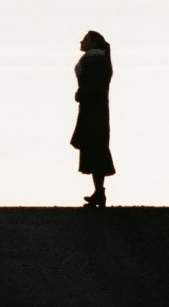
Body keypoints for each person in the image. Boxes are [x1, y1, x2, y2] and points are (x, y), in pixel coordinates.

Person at [70, 30, 115, 208]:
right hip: (92, 109)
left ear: (93, 42)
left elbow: (92, 84)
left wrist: (82, 93)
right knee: (94, 148)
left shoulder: (95, 60)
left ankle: (99, 192)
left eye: (85, 39)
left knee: (95, 147)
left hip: (93, 110)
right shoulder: (96, 59)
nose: (81, 42)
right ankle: (99, 191)